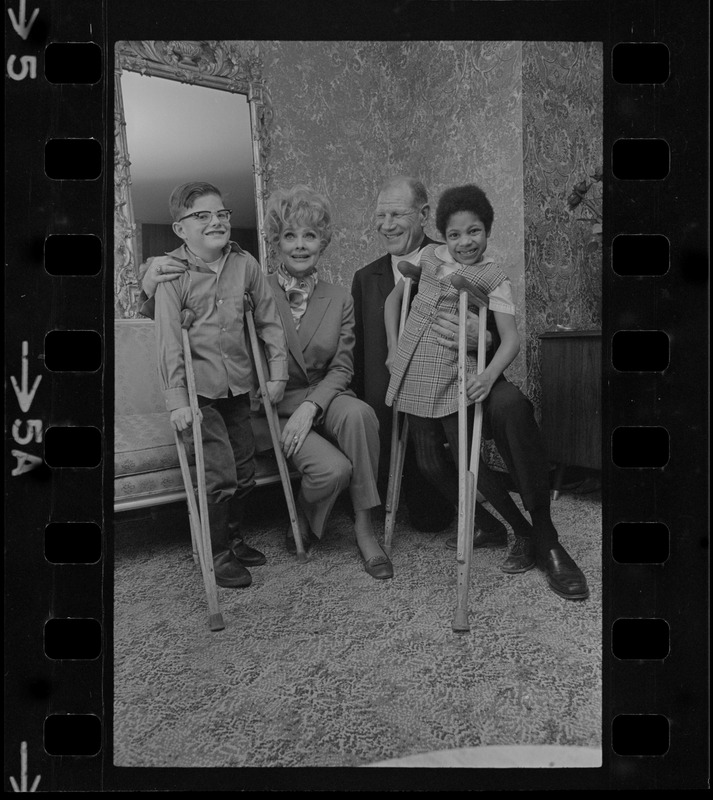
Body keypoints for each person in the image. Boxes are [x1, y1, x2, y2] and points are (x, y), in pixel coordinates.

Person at [385, 184, 589, 601]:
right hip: (418, 373)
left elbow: (510, 339)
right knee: (427, 459)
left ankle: (540, 535)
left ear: (488, 231)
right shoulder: (426, 257)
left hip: (467, 373)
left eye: (474, 232)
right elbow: (393, 302)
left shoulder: (494, 276)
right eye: (455, 234)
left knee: (471, 447)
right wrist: (392, 349)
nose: (465, 242)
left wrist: (488, 371)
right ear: (442, 233)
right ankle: (498, 527)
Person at [140, 181, 288, 590]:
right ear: (180, 229)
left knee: (243, 472)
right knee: (218, 475)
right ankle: (216, 550)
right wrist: (176, 401)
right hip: (197, 394)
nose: (216, 221)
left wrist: (276, 373)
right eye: (201, 216)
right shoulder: (170, 272)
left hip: (238, 388)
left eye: (221, 214)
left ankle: (233, 537)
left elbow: (269, 322)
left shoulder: (246, 265)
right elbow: (169, 340)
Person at [351, 176, 507, 542]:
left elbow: (493, 330)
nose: (386, 224)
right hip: (390, 405)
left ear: (423, 215)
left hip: (440, 399)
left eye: (397, 214)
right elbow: (360, 354)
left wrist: (481, 336)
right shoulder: (364, 277)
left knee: (429, 520)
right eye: (380, 215)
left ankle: (485, 515)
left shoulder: (453, 256)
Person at [263, 185, 392, 580]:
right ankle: (302, 510)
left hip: (323, 396)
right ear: (276, 242)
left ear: (323, 241)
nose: (300, 245)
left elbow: (342, 367)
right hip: (275, 403)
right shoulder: (256, 292)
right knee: (333, 471)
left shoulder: (339, 297)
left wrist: (311, 406)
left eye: (309, 235)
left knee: (360, 413)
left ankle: (365, 527)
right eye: (290, 235)